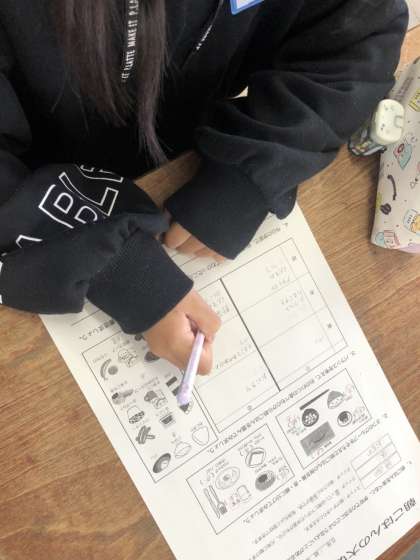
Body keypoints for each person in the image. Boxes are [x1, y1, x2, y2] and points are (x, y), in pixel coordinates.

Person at [0, 0, 408, 372]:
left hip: (189, 156)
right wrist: (120, 270)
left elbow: (360, 30)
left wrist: (252, 172)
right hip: (36, 192)